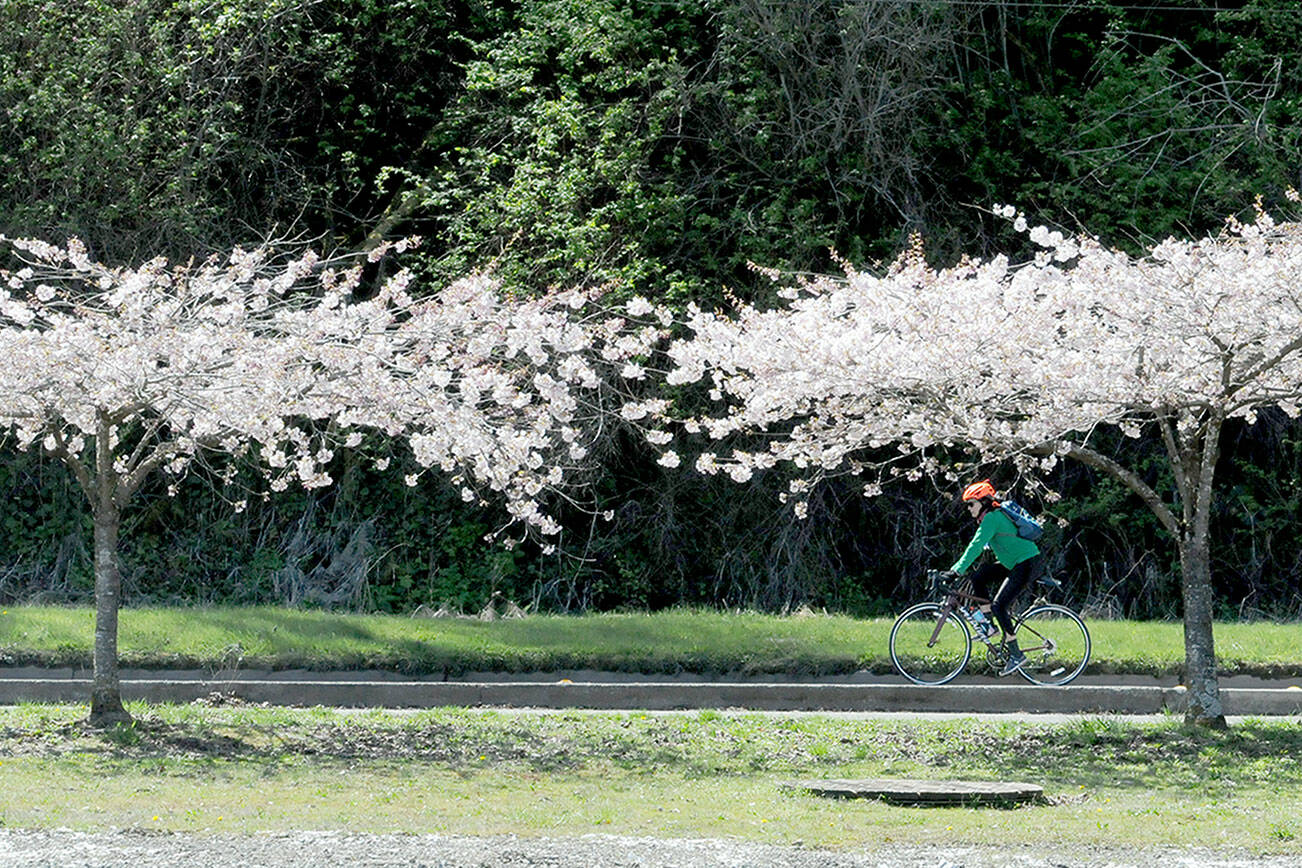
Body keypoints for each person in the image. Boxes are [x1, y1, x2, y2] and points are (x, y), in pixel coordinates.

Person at [947, 480, 1044, 676]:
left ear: (983, 502)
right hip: (1014, 562)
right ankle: (988, 626)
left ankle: (1017, 655)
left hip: (1027, 562)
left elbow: (975, 545)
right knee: (978, 577)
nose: (968, 509)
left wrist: (956, 570)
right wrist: (962, 569)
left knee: (1000, 605)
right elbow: (984, 546)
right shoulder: (990, 519)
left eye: (971, 504)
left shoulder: (992, 518)